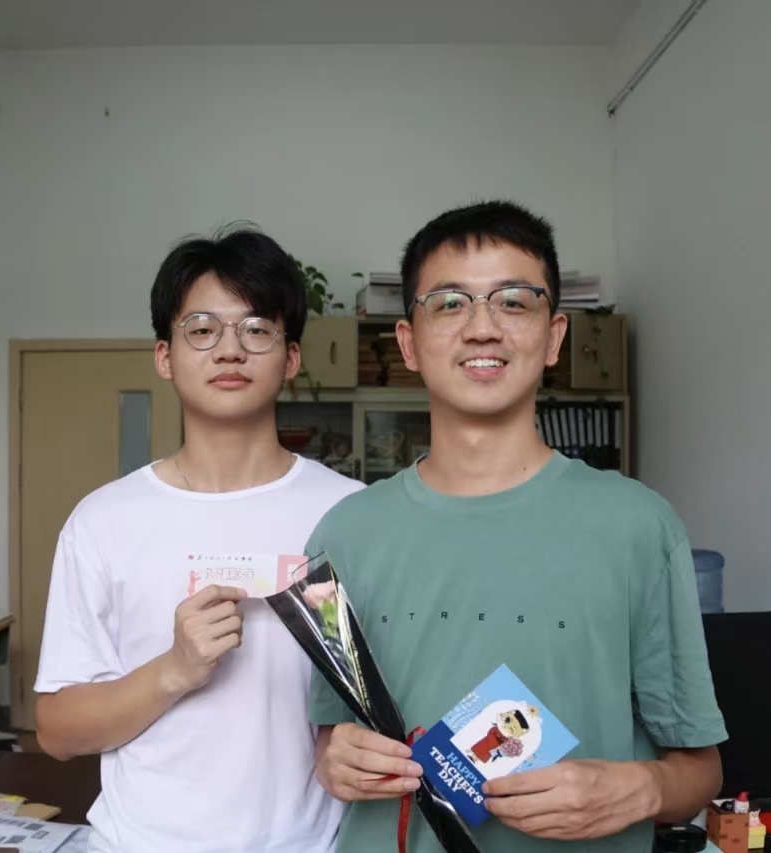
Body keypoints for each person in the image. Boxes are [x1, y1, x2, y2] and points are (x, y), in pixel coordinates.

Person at [305, 201, 727, 853]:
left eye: (512, 302)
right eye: (450, 303)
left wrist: (640, 788)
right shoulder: (343, 535)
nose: (482, 328)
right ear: (409, 343)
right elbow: (331, 737)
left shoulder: (640, 527)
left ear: (554, 336)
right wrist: (335, 758)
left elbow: (700, 771)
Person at [34, 224, 363, 853]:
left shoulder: (351, 514)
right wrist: (174, 670)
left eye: (257, 329)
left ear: (291, 357)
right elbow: (57, 730)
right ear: (165, 356)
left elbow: (382, 698)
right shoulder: (103, 521)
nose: (230, 350)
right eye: (202, 329)